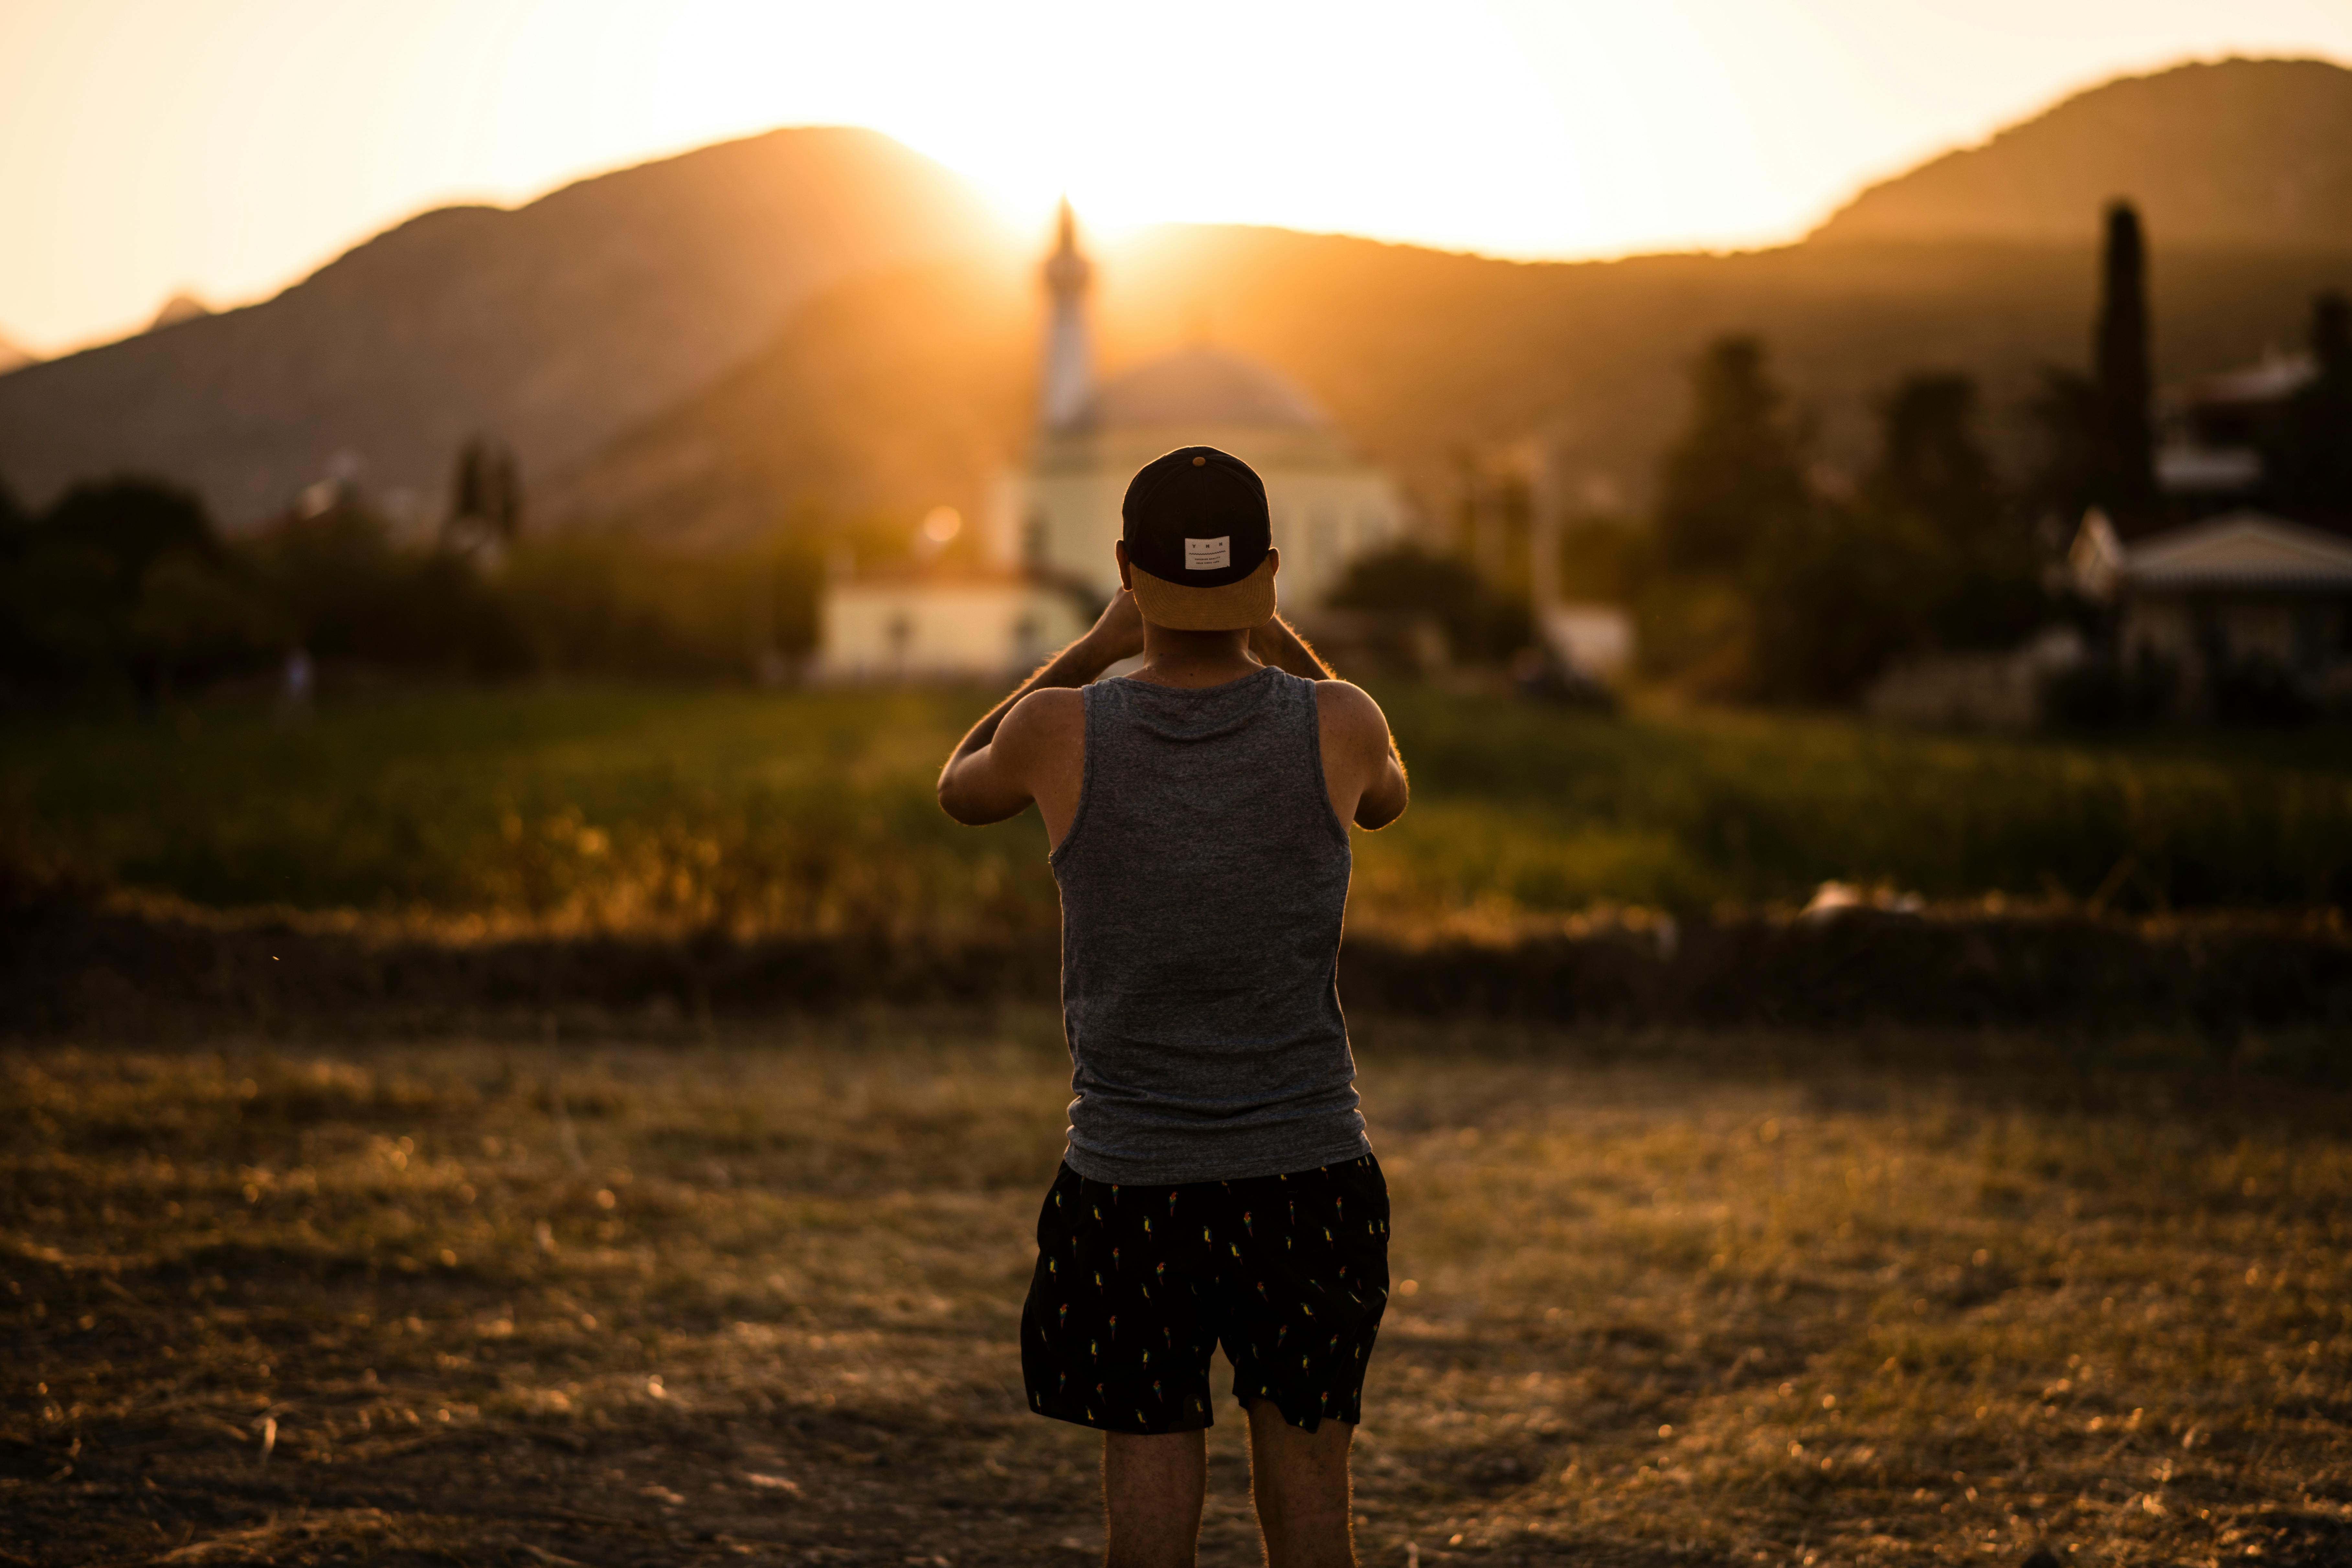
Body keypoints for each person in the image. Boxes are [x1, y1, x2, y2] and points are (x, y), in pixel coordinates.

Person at [938, 446, 1410, 1568]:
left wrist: (1096, 646)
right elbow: (1388, 791)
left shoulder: (1059, 731)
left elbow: (958, 781)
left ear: (1123, 569)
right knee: (1314, 1535)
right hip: (1307, 1178)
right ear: (1268, 574)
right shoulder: (1339, 722)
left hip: (1127, 1182)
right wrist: (1274, 633)